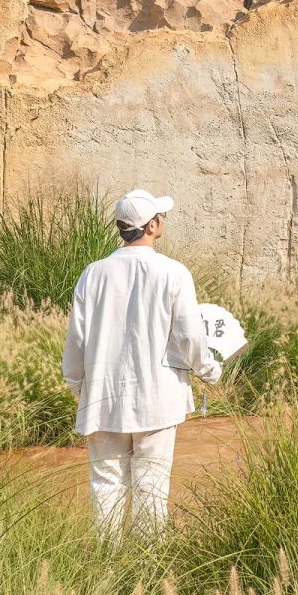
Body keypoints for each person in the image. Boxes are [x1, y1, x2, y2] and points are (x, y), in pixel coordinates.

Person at [61, 188, 222, 536]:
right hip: (157, 397)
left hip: (102, 396)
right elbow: (190, 335)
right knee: (151, 485)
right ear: (152, 225)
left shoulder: (93, 273)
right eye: (160, 217)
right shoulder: (174, 273)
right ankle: (148, 572)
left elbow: (76, 338)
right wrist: (209, 370)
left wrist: (78, 386)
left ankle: (106, 566)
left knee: (106, 486)